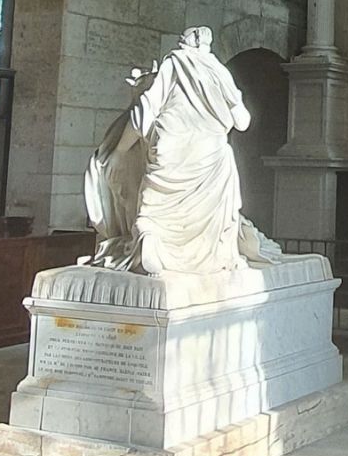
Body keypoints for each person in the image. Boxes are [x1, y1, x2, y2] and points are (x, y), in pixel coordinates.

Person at [84, 27, 279, 274]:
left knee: (154, 209)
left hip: (170, 144)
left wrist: (120, 151)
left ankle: (149, 237)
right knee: (218, 186)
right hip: (208, 152)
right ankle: (212, 251)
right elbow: (243, 122)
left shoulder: (173, 62)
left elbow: (145, 111)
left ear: (183, 44)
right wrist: (228, 103)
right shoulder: (219, 72)